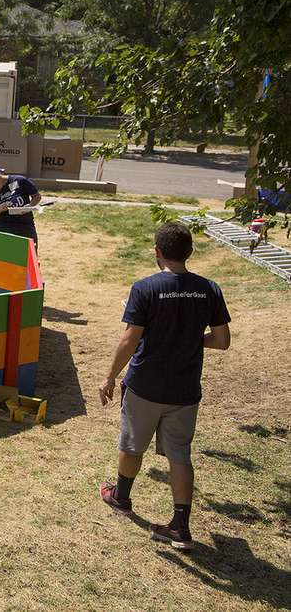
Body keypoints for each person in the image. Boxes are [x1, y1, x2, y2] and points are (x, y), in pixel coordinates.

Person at [98, 222, 231, 551]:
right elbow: (222, 340)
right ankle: (180, 527)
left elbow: (131, 339)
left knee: (131, 444)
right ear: (189, 253)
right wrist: (189, 340)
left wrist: (110, 375)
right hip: (185, 390)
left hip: (145, 385)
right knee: (180, 455)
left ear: (157, 252)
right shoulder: (209, 288)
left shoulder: (145, 288)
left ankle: (122, 498)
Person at [0, 166, 41, 248]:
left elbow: (37, 196)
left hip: (25, 224)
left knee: (29, 255)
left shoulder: (19, 181)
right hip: (4, 226)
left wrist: (29, 207)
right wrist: (0, 209)